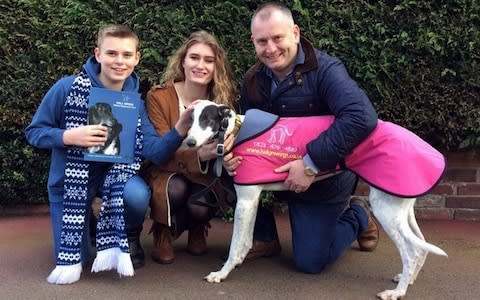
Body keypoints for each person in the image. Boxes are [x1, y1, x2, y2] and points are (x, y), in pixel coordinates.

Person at [25, 24, 193, 283]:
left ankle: (127, 233)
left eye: (127, 55)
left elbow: (155, 151)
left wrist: (181, 128)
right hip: (70, 185)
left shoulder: (135, 101)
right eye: (112, 53)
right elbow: (34, 132)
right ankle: (92, 226)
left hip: (116, 178)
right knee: (75, 260)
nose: (119, 61)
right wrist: (67, 136)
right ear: (98, 54)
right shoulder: (67, 88)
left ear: (137, 57)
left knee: (137, 195)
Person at [223, 2, 380, 274]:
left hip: (323, 179)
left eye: (277, 38)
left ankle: (358, 216)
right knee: (224, 170)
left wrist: (311, 163)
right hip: (277, 173)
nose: (270, 48)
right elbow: (249, 131)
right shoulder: (253, 79)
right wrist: (228, 155)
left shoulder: (326, 70)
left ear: (295, 33)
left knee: (310, 262)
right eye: (262, 41)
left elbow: (361, 117)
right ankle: (265, 237)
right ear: (253, 42)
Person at [141, 30, 237, 264]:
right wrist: (199, 155)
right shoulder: (159, 96)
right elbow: (161, 152)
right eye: (194, 57)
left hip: (203, 177)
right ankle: (163, 231)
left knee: (200, 205)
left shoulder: (221, 100)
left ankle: (197, 226)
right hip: (165, 172)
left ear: (216, 66)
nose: (200, 65)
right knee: (175, 188)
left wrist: (230, 155)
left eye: (209, 60)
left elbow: (230, 144)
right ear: (182, 61)